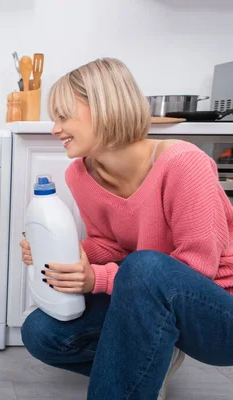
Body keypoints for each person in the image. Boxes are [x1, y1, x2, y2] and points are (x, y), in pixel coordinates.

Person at [19, 58, 233, 399]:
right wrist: (63, 251)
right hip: (147, 296)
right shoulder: (80, 174)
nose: (55, 129)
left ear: (104, 108)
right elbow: (110, 245)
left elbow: (197, 269)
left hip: (218, 311)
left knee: (144, 265)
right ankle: (152, 362)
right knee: (41, 332)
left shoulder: (183, 163)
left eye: (64, 116)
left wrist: (97, 279)